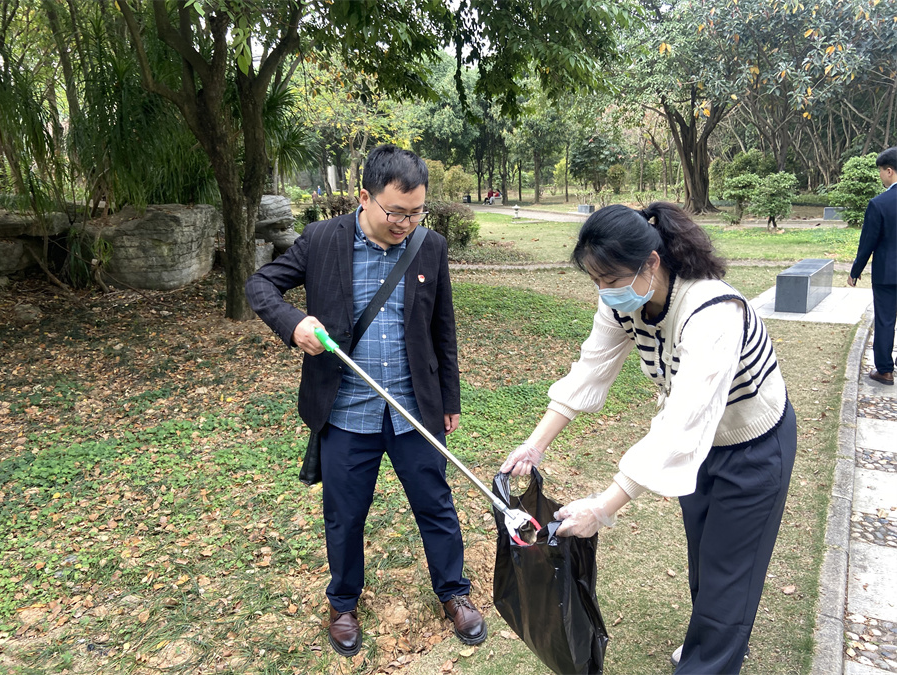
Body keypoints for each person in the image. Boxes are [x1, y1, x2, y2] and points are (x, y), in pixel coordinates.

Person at [500, 202, 796, 675]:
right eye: (595, 281)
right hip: (702, 449)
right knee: (705, 557)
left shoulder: (712, 311)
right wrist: (536, 444)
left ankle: (710, 660)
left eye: (611, 280)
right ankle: (708, 641)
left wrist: (605, 506)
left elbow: (682, 422)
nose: (604, 292)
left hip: (754, 445)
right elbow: (589, 372)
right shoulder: (624, 301)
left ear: (651, 263)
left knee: (730, 577)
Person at [245, 145, 486, 657]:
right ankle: (343, 603)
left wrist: (450, 398)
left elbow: (444, 328)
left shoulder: (430, 247)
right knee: (345, 513)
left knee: (436, 504)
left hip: (412, 408)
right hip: (345, 412)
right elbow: (261, 284)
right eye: (395, 211)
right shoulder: (321, 240)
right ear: (365, 198)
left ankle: (454, 592)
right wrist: (293, 325)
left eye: (416, 211)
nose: (405, 222)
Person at [847, 147, 897, 386]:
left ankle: (885, 371)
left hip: (887, 274)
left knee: (885, 320)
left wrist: (855, 272)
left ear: (889, 171)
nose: (880, 176)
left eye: (880, 171)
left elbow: (868, 243)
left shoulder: (879, 204)